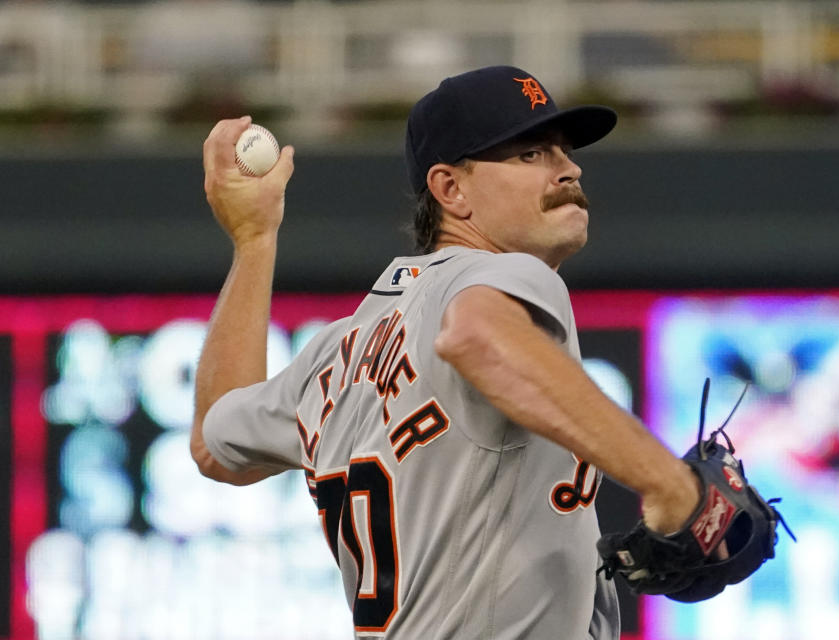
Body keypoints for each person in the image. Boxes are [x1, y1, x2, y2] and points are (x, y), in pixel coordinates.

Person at [191, 65, 701, 639]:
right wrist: (671, 485)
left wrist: (254, 241)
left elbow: (214, 440)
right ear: (450, 189)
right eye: (531, 154)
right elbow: (476, 337)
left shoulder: (336, 351)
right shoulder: (507, 275)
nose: (568, 169)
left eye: (563, 150)